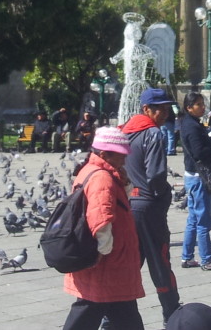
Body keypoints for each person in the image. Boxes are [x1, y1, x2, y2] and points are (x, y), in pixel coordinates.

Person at [60, 126, 145, 330]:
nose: (125, 160)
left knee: (114, 310)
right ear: (105, 154)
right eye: (121, 155)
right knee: (92, 308)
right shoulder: (102, 178)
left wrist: (123, 180)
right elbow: (101, 220)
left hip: (110, 264)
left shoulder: (92, 171)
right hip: (108, 262)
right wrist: (103, 252)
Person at [120, 88, 181, 324]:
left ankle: (113, 315)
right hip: (149, 205)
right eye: (160, 109)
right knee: (160, 261)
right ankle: (172, 313)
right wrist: (164, 193)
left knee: (131, 263)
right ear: (146, 109)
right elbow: (156, 175)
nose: (165, 113)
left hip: (128, 205)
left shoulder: (125, 132)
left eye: (167, 109)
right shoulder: (153, 134)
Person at [178, 92, 211, 271]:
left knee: (193, 218)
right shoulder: (191, 126)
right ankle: (207, 259)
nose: (202, 107)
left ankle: (187, 257)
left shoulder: (189, 123)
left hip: (191, 175)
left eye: (202, 103)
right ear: (188, 107)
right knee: (202, 220)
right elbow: (199, 152)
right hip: (199, 177)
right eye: (198, 104)